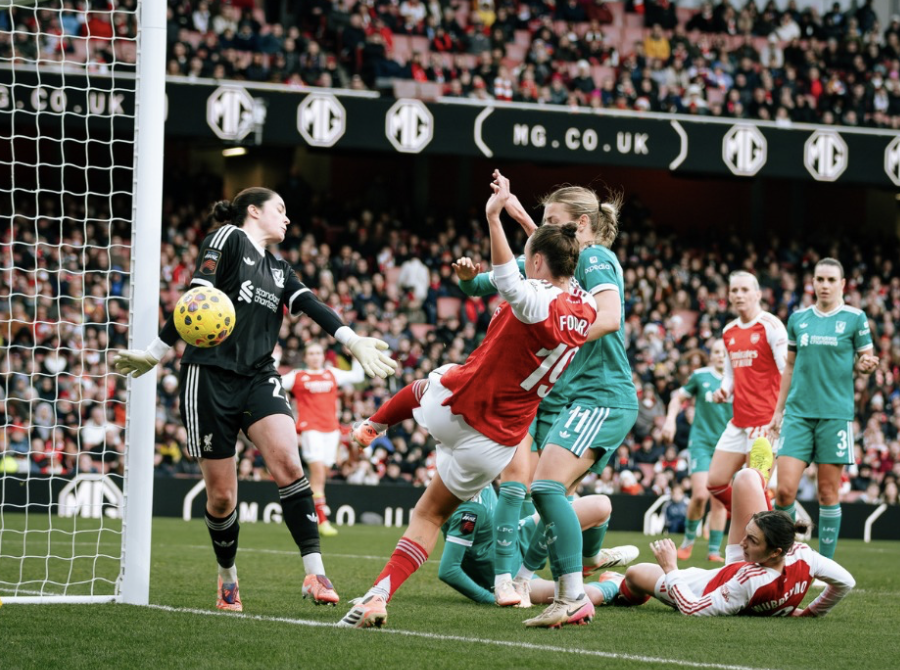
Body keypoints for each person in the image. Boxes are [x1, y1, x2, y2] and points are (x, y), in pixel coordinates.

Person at [114, 187, 398, 612]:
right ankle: (227, 577)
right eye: (279, 210)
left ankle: (315, 572)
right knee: (222, 497)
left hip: (259, 377)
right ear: (253, 211)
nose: (287, 219)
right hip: (207, 376)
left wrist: (353, 341)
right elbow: (195, 301)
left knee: (288, 461)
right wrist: (155, 353)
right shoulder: (227, 238)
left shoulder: (281, 270)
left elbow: (314, 305)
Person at [337, 170, 597, 628]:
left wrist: (494, 217)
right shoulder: (584, 305)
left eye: (528, 257)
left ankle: (373, 425)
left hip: (462, 404)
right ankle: (378, 595)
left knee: (422, 388)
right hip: (496, 443)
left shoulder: (533, 298)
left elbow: (504, 275)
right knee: (431, 514)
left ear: (535, 263)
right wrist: (517, 211)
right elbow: (549, 252)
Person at [454, 183, 634, 615]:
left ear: (583, 224)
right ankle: (540, 579)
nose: (545, 231)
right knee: (551, 495)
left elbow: (609, 317)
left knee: (547, 488)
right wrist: (469, 275)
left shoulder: (594, 256)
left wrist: (554, 334)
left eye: (554, 222)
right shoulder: (563, 258)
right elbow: (492, 279)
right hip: (574, 395)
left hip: (601, 393)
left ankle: (566, 590)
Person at [616, 438, 856, 617]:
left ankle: (611, 586)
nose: (742, 540)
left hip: (705, 587)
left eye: (752, 540)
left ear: (775, 552)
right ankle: (759, 479)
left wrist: (671, 569)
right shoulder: (803, 554)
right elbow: (846, 582)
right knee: (744, 478)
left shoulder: (749, 580)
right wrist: (811, 614)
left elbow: (691, 608)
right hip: (743, 572)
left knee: (634, 573)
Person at [768, 258, 877, 560]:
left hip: (834, 416)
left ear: (842, 284)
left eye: (831, 280)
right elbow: (789, 367)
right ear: (812, 283)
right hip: (798, 415)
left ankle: (825, 566)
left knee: (828, 493)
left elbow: (865, 359)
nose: (825, 285)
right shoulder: (798, 319)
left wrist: (866, 366)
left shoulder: (856, 318)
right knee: (785, 491)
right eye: (820, 279)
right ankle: (786, 558)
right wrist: (778, 412)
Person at [438, 484, 638, 608]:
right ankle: (614, 584)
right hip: (508, 575)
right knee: (586, 595)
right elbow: (448, 570)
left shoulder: (480, 475)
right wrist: (491, 598)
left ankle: (589, 561)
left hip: (516, 537)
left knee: (601, 505)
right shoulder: (467, 514)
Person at [707, 272, 786, 514]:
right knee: (715, 482)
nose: (739, 295)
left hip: (764, 421)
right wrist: (723, 389)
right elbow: (730, 374)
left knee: (756, 488)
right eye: (734, 290)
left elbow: (787, 372)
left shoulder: (771, 326)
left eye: (744, 290)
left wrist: (781, 415)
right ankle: (754, 517)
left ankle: (769, 537)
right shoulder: (729, 331)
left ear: (758, 294)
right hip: (738, 421)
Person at [282, 341, 366, 537]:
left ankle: (305, 513)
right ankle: (322, 520)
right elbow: (275, 382)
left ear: (323, 356)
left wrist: (355, 355)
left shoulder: (331, 373)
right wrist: (275, 359)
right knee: (318, 475)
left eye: (318, 353)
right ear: (305, 357)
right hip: (311, 430)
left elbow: (357, 376)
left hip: (332, 431)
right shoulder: (297, 376)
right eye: (311, 353)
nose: (314, 356)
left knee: (321, 476)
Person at [662, 339, 731, 562]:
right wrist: (670, 420)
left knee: (719, 500)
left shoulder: (738, 378)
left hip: (728, 446)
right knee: (701, 495)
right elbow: (677, 398)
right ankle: (689, 541)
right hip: (701, 443)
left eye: (725, 352)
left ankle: (713, 551)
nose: (721, 355)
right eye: (717, 351)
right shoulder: (700, 376)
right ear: (711, 354)